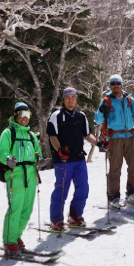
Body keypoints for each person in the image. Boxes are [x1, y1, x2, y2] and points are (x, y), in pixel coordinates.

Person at [47, 87, 98, 230]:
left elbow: (87, 134)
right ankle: (56, 219)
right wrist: (59, 150)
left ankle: (75, 215)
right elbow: (52, 136)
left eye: (73, 97)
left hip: (79, 158)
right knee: (62, 189)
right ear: (63, 100)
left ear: (76, 100)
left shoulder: (81, 116)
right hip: (63, 160)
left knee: (83, 187)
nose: (71, 99)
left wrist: (99, 143)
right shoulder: (56, 115)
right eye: (68, 97)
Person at [94, 74, 134, 205]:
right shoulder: (106, 101)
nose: (115, 86)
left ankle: (133, 193)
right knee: (115, 169)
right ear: (110, 86)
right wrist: (102, 110)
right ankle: (113, 197)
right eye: (113, 84)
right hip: (115, 138)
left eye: (118, 83)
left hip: (130, 136)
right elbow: (98, 119)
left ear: (122, 85)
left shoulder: (129, 100)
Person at [0, 102, 42, 257]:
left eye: (28, 115)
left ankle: (16, 236)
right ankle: (9, 241)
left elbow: (37, 152)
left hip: (31, 175)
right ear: (15, 116)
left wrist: (40, 160)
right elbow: (1, 152)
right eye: (22, 115)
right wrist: (8, 159)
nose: (25, 118)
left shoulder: (31, 135)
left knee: (27, 209)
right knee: (15, 208)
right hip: (15, 174)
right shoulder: (9, 133)